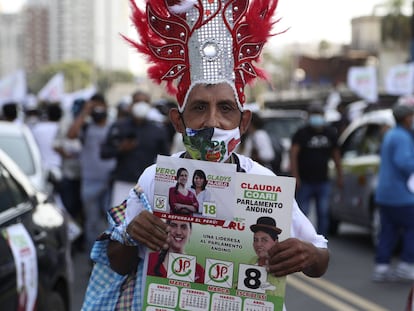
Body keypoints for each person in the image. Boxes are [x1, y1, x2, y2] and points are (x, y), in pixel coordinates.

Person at [82, 1, 329, 310]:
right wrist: (131, 234)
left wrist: (309, 255)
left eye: (225, 109)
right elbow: (119, 263)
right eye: (199, 108)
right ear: (178, 121)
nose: (212, 122)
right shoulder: (153, 178)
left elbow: (319, 257)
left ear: (244, 122)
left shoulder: (264, 183)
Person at [100, 94, 170, 207]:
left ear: (150, 105)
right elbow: (104, 152)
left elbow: (166, 159)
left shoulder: (158, 130)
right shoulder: (119, 126)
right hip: (123, 182)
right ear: (131, 105)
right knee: (120, 222)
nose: (141, 105)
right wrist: (121, 148)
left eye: (145, 102)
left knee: (144, 221)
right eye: (138, 101)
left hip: (147, 185)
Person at [67, 93, 116, 253]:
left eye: (100, 106)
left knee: (112, 221)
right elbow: (71, 135)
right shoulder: (86, 127)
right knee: (91, 222)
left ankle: (110, 256)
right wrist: (84, 112)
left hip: (110, 181)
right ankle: (93, 257)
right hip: (90, 181)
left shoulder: (114, 127)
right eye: (94, 107)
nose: (98, 110)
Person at [372, 104, 414, 282]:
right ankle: (406, 265)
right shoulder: (402, 137)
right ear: (406, 118)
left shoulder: (390, 134)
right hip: (401, 195)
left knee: (388, 230)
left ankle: (382, 266)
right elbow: (404, 163)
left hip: (386, 194)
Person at [290, 103, 343, 236]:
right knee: (302, 213)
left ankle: (321, 242)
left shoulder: (330, 133)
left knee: (323, 212)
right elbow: (293, 155)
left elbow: (336, 155)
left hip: (323, 180)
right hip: (305, 180)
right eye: (313, 116)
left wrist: (340, 175)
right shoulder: (302, 133)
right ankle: (302, 239)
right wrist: (295, 176)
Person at [249, 216, 285, 297]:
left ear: (276, 242)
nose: (258, 245)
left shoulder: (281, 266)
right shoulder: (252, 261)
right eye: (255, 240)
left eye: (264, 240)